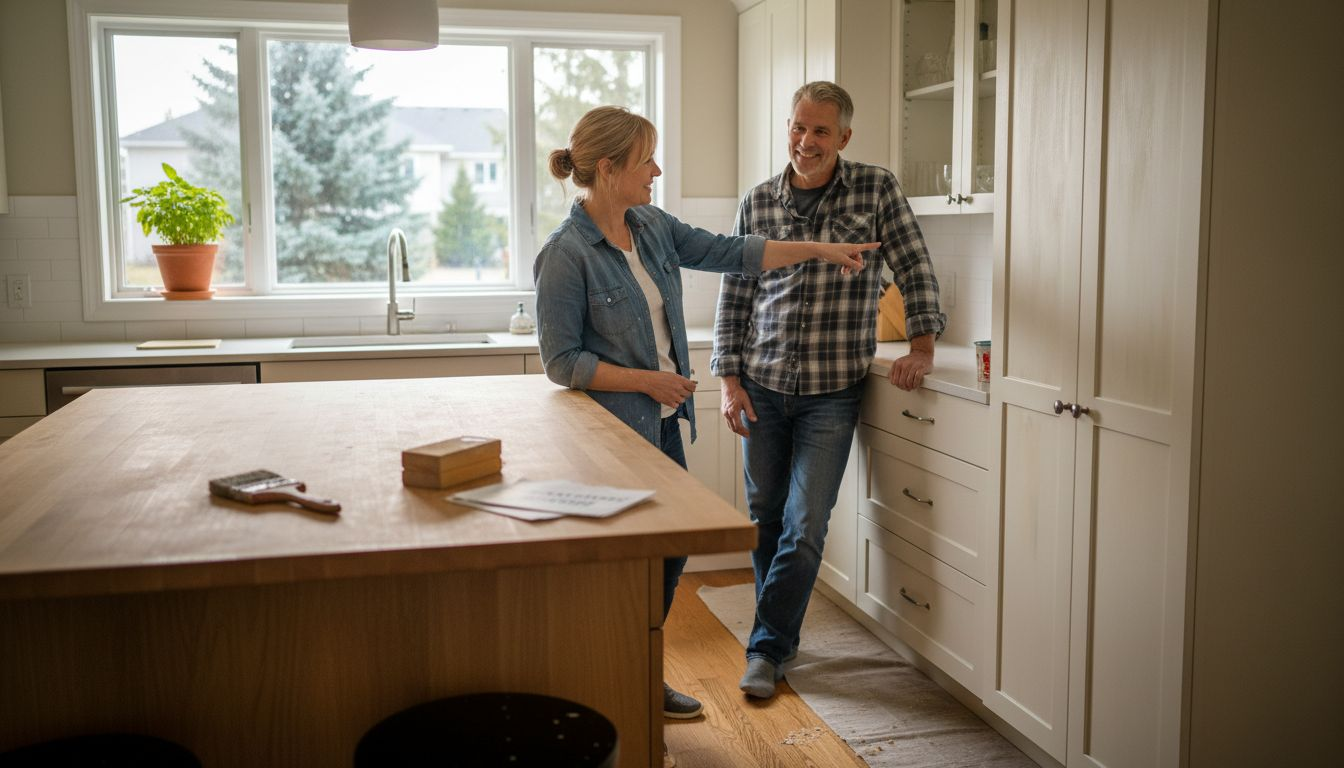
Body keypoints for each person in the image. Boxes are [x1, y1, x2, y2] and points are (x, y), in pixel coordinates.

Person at [533, 105, 877, 722]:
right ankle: (609, 679)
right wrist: (648, 381)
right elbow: (561, 361)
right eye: (646, 161)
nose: (656, 171)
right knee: (619, 569)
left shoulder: (651, 226)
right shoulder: (565, 254)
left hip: (662, 424)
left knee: (668, 553)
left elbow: (734, 252)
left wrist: (818, 250)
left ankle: (636, 671)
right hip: (613, 434)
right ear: (609, 170)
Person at [712, 82, 946, 699]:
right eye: (797, 127)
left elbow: (914, 263)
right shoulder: (758, 200)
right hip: (761, 383)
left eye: (819, 131)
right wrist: (729, 380)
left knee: (806, 522)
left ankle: (764, 647)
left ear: (844, 137)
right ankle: (779, 636)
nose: (805, 141)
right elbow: (736, 291)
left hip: (831, 392)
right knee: (765, 519)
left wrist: (922, 345)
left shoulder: (876, 188)